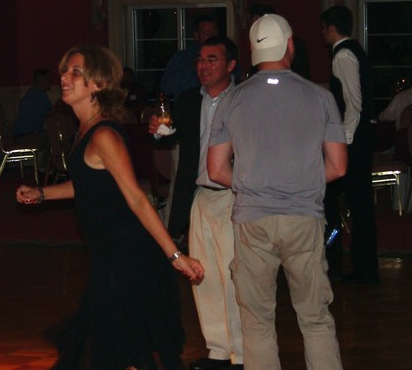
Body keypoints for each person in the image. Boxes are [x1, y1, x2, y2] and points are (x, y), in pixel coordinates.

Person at [16, 44, 204, 370]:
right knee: (114, 347)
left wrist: (175, 255)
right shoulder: (87, 129)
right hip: (109, 256)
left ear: (98, 84)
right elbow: (88, 184)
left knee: (114, 348)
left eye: (76, 72)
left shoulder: (103, 134)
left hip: (128, 256)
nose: (65, 77)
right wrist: (41, 193)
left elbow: (136, 197)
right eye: (65, 71)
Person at [207, 14, 346, 370]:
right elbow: (338, 166)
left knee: (256, 322)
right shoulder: (321, 97)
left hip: (252, 219)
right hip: (304, 218)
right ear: (290, 45)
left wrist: (254, 182)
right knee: (315, 319)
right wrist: (300, 181)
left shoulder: (231, 100)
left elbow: (216, 169)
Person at [149, 36, 244, 370]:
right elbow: (175, 135)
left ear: (231, 65)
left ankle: (241, 354)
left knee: (234, 275)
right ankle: (218, 351)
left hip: (234, 196)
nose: (203, 66)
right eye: (201, 59)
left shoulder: (244, 100)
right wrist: (160, 131)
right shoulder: (189, 99)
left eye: (212, 59)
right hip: (199, 195)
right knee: (203, 276)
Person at [321, 4, 379, 283]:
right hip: (358, 139)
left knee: (340, 205)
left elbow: (354, 106)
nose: (322, 33)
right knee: (358, 206)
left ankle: (343, 265)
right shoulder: (354, 51)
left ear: (332, 29)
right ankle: (362, 268)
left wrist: (342, 145)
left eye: (324, 28)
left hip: (352, 142)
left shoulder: (343, 55)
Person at [160, 15, 219, 100]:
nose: (210, 36)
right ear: (197, 35)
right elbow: (166, 88)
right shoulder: (182, 58)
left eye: (213, 32)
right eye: (206, 32)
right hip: (187, 105)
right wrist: (193, 70)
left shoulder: (225, 57)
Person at [248, 3, 311, 80]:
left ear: (256, 18)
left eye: (249, 19)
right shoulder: (295, 42)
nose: (249, 24)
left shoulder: (296, 44)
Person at [13, 68, 53, 148]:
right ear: (43, 80)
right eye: (49, 80)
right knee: (55, 139)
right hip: (28, 136)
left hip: (21, 135)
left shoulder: (32, 92)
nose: (50, 82)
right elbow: (53, 113)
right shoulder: (39, 95)